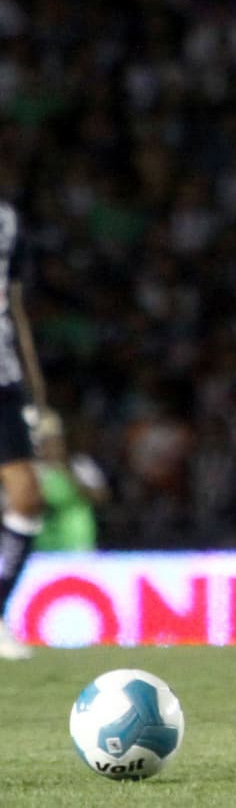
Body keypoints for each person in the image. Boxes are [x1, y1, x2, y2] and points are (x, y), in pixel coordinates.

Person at [0, 200, 49, 660]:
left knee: (28, 499)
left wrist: (38, 397)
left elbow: (14, 309)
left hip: (3, 380)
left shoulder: (8, 219)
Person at [32, 410, 109, 552]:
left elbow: (100, 498)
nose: (52, 447)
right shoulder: (34, 471)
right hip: (42, 546)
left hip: (79, 541)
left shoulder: (81, 465)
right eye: (46, 442)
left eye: (55, 441)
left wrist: (68, 471)